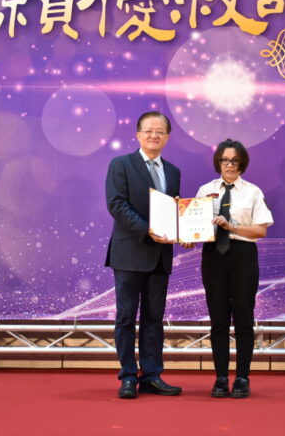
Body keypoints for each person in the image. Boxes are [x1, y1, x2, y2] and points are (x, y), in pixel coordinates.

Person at [105, 111, 183, 399]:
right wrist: (148, 230)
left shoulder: (173, 171)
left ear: (167, 137)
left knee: (154, 319)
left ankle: (152, 375)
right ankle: (128, 376)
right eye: (149, 130)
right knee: (126, 318)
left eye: (160, 131)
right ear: (138, 135)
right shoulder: (121, 164)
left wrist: (183, 229)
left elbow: (172, 211)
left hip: (160, 256)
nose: (154, 135)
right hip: (129, 253)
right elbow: (116, 204)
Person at [195, 138, 273, 398]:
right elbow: (194, 225)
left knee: (243, 319)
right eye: (225, 160)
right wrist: (186, 235)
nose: (229, 165)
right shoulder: (205, 190)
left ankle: (242, 378)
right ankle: (220, 378)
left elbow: (260, 230)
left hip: (242, 256)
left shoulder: (253, 192)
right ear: (218, 162)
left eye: (234, 161)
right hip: (213, 256)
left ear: (242, 163)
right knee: (218, 320)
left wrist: (232, 227)